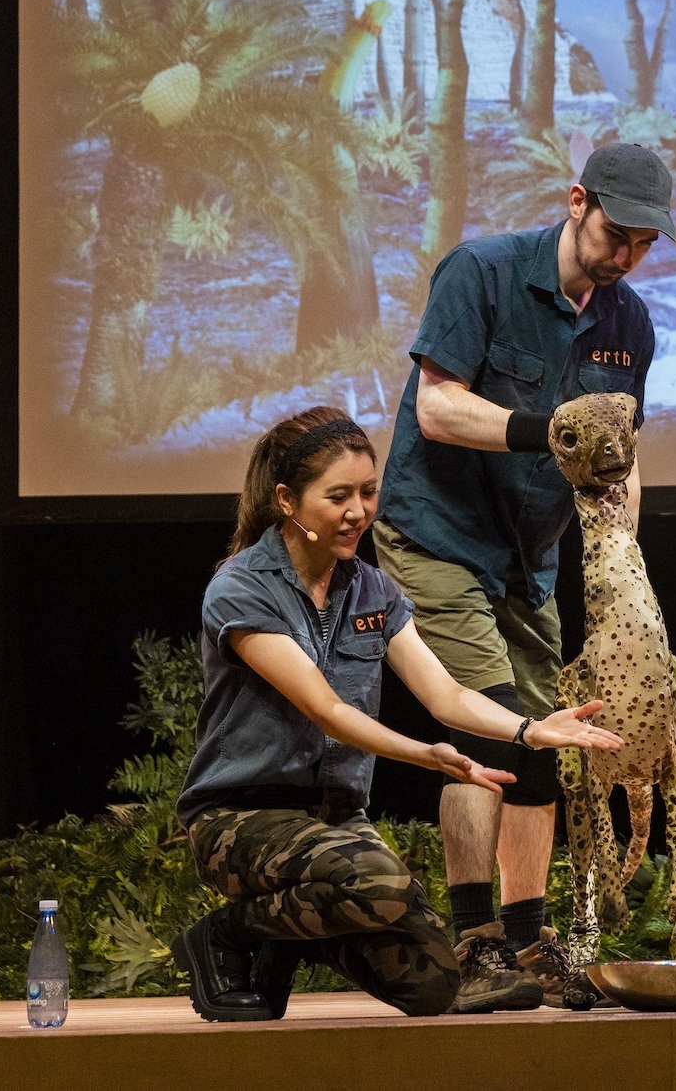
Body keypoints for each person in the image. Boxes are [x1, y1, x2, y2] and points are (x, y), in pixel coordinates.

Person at [173, 407, 623, 1022]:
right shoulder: (242, 588)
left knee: (434, 986)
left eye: (368, 491)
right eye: (338, 496)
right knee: (376, 884)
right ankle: (231, 933)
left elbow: (447, 696)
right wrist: (425, 754)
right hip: (243, 820)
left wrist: (530, 729)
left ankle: (283, 938)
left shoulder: (372, 590)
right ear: (286, 500)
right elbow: (325, 710)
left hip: (335, 824)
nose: (359, 511)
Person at [373, 142, 668, 1009]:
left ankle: (524, 936)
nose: (625, 256)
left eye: (645, 243)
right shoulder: (483, 272)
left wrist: (619, 573)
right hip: (437, 534)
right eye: (617, 233)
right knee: (491, 734)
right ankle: (471, 945)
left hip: (526, 558)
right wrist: (548, 432)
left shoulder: (628, 323)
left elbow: (621, 457)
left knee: (550, 743)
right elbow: (436, 405)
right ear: (576, 202)